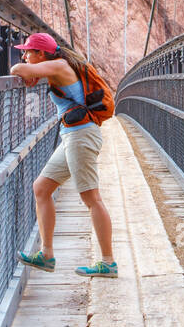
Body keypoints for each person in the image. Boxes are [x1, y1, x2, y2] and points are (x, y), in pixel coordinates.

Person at [9, 32, 117, 278]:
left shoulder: (59, 65)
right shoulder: (57, 67)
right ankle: (46, 255)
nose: (24, 56)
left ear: (41, 54)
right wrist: (35, 73)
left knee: (92, 198)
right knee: (42, 188)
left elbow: (18, 69)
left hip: (82, 136)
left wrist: (29, 70)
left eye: (28, 52)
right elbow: (28, 70)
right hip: (72, 136)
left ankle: (108, 262)